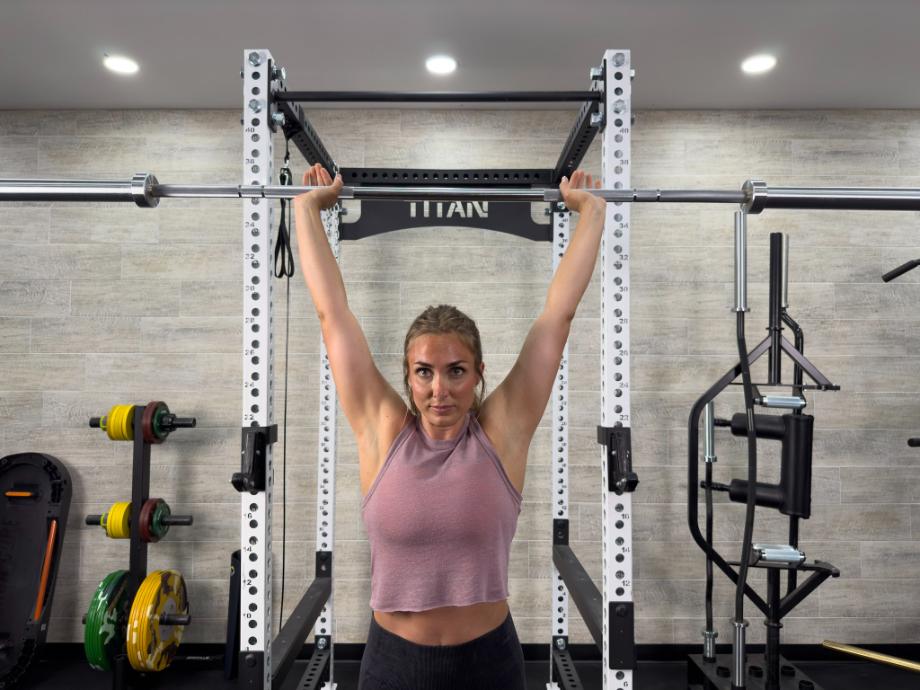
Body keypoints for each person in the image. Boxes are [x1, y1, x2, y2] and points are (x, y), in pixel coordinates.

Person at [293, 164, 606, 690]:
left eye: (456, 371)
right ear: (408, 378)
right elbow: (333, 316)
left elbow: (557, 317)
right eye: (425, 372)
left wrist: (592, 213)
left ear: (479, 375)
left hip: (488, 664)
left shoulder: (502, 433)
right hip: (393, 663)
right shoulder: (383, 429)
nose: (440, 389)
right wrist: (307, 210)